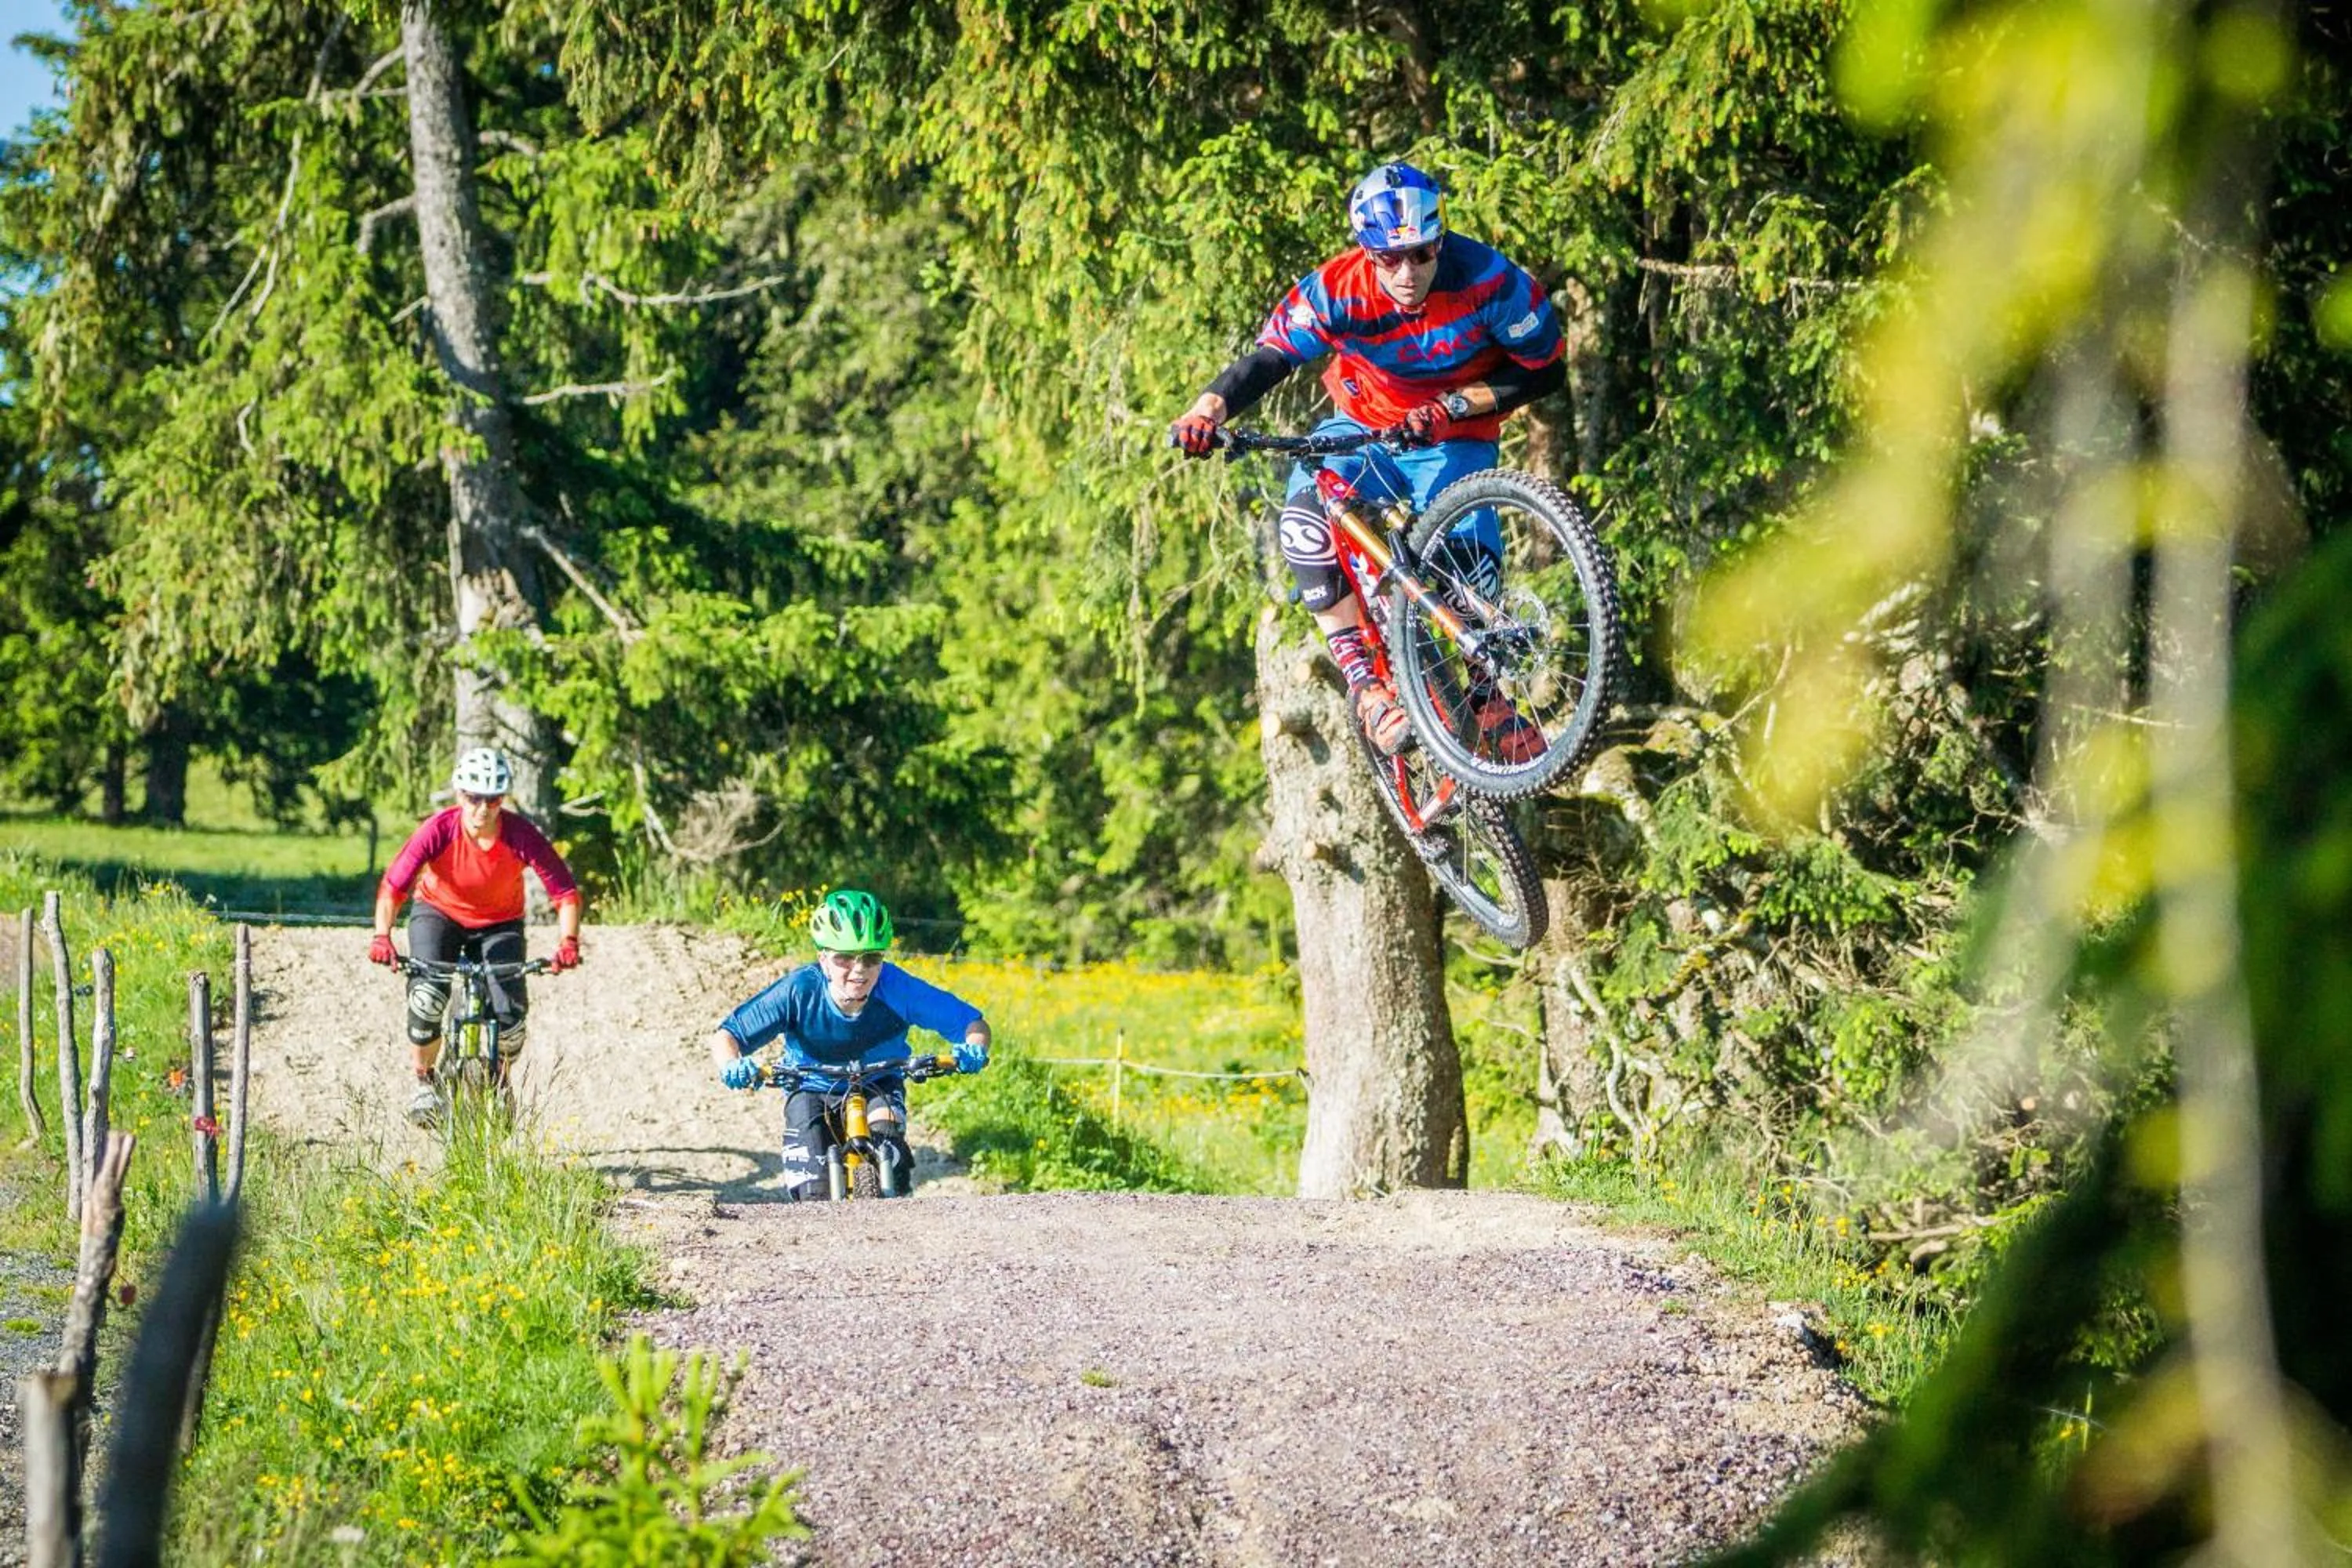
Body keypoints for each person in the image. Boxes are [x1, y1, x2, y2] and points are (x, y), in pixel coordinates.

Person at [1171, 159, 1566, 760]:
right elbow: (1271, 358)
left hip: (1453, 434)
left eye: (1422, 253)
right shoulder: (1337, 288)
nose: (1408, 273)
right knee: (1305, 516)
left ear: (1440, 239)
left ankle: (1488, 696)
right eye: (1389, 258)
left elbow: (1546, 371)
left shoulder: (1490, 280)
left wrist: (1454, 405)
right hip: (1363, 428)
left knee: (1466, 552)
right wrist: (1207, 410)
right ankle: (1366, 685)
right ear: (1366, 252)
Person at [708, 888, 991, 1201]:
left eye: (871, 958)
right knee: (813, 1193)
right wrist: (732, 1065)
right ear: (823, 959)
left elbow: (972, 1023)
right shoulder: (799, 990)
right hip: (810, 1086)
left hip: (878, 1082)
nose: (859, 970)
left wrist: (974, 1048)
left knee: (890, 1151)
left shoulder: (897, 988)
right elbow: (728, 1036)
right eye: (844, 958)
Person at [368, 747, 583, 1125]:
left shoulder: (520, 834)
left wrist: (568, 942)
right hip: (439, 914)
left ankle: (499, 1079)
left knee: (511, 1017)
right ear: (459, 794)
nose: (483, 808)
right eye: (473, 798)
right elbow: (394, 887)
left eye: (493, 799)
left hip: (500, 924)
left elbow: (565, 893)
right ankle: (425, 1082)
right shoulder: (439, 829)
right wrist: (382, 936)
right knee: (427, 997)